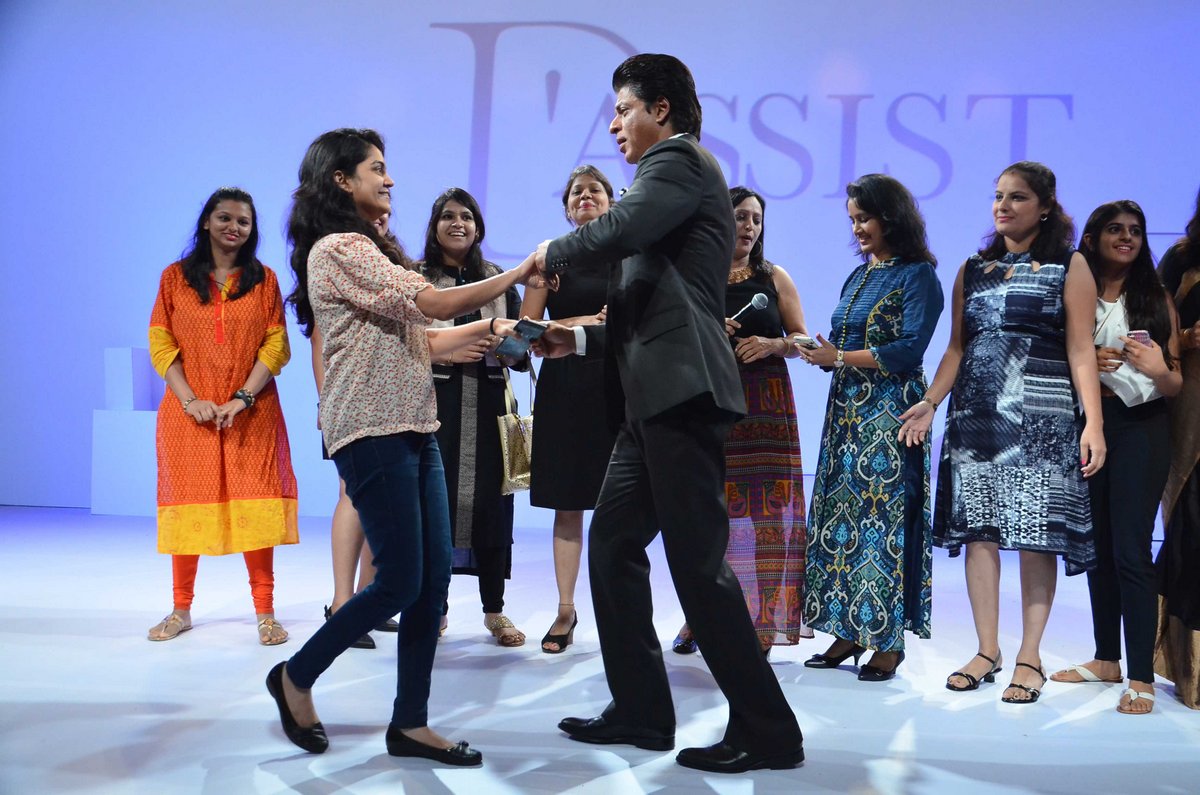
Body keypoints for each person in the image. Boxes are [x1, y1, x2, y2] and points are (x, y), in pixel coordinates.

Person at [534, 53, 803, 774]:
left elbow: (615, 235)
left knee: (698, 565)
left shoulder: (678, 162)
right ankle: (642, 710)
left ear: (661, 109)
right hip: (651, 398)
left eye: (623, 109)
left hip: (681, 395)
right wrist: (576, 338)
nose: (614, 125)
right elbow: (649, 305)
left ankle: (769, 730)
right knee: (612, 543)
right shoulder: (664, 184)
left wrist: (546, 255)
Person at [267, 128, 541, 763]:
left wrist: (504, 327)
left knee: (432, 579)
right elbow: (433, 304)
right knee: (398, 582)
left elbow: (428, 339)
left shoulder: (369, 250)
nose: (389, 179)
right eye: (376, 168)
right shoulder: (340, 248)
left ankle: (410, 723)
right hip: (371, 428)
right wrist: (520, 273)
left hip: (416, 426)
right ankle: (294, 676)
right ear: (342, 180)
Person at [901, 161, 1106, 704]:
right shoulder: (973, 269)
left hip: (1043, 416)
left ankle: (1030, 657)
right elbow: (957, 347)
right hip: (976, 414)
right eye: (998, 196)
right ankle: (986, 650)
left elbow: (1081, 350)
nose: (1003, 206)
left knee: (1037, 535)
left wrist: (1094, 423)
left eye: (1017, 197)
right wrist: (930, 402)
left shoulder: (1069, 264)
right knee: (980, 532)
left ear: (1045, 207)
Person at [798, 174, 943, 681]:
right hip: (846, 412)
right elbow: (843, 344)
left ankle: (887, 640)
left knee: (883, 521)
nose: (858, 228)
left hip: (891, 413)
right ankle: (848, 630)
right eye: (853, 220)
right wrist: (823, 354)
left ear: (892, 218)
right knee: (844, 518)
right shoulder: (858, 276)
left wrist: (838, 357)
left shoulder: (918, 275)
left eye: (866, 218)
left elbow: (908, 349)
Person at [147, 187, 297, 646]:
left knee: (256, 505)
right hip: (188, 415)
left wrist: (243, 398)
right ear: (206, 222)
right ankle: (180, 609)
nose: (234, 227)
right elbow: (161, 343)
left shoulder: (264, 280)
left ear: (252, 230)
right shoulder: (175, 279)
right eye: (225, 218)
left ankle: (266, 613)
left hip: (251, 414)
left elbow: (276, 344)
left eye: (243, 221)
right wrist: (190, 400)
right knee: (187, 502)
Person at [1047, 200, 1180, 714]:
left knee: (1130, 549)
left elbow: (1174, 383)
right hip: (1086, 424)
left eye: (1135, 231)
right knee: (1097, 546)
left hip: (1141, 428)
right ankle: (1106, 659)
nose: (1126, 238)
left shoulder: (1154, 296)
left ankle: (1140, 675)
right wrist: (1084, 358)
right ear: (1092, 238)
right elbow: (1057, 355)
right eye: (1115, 230)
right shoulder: (1071, 290)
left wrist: (1157, 366)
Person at [674, 186, 813, 657]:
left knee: (767, 516)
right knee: (709, 516)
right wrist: (709, 330)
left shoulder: (774, 276)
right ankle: (701, 616)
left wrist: (776, 344)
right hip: (710, 403)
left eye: (756, 219)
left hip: (766, 406)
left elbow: (802, 339)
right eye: (740, 216)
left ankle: (764, 620)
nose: (749, 226)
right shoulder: (696, 273)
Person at [418, 188, 526, 648]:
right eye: (448, 216)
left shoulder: (497, 279)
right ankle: (435, 609)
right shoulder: (417, 279)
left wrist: (509, 349)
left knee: (493, 508)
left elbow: (522, 348)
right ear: (434, 227)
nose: (457, 223)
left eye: (466, 216)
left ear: (478, 228)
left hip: (490, 404)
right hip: (434, 407)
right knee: (435, 508)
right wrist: (448, 351)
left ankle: (494, 611)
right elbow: (403, 342)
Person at [521, 165, 614, 653]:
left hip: (620, 384)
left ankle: (620, 610)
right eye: (577, 192)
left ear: (612, 203)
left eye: (595, 190)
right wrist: (583, 321)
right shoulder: (549, 260)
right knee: (568, 503)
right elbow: (525, 330)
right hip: (566, 385)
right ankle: (565, 610)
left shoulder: (630, 255)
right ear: (567, 207)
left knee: (622, 508)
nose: (585, 196)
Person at [308, 212, 399, 652]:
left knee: (378, 503)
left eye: (387, 213)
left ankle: (367, 602)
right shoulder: (335, 255)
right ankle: (342, 604)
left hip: (388, 406)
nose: (382, 217)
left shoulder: (385, 261)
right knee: (353, 496)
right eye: (374, 211)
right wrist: (325, 400)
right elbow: (319, 340)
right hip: (348, 403)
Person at [1154, 185, 1200, 710]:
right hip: (1191, 414)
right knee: (1191, 530)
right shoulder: (1184, 258)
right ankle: (1189, 673)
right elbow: (1147, 324)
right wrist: (1184, 339)